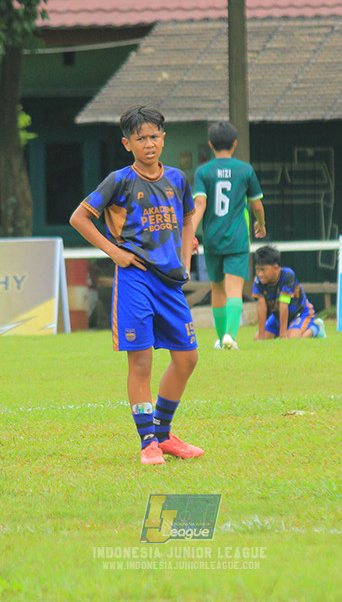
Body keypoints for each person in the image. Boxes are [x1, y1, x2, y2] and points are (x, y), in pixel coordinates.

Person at [69, 104, 203, 466]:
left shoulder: (177, 179)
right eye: (140, 138)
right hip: (135, 280)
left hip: (170, 282)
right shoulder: (119, 181)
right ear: (127, 143)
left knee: (187, 358)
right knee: (141, 362)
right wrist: (115, 252)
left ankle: (165, 433)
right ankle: (148, 443)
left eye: (154, 137)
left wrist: (186, 262)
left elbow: (189, 220)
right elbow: (79, 217)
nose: (149, 144)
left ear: (163, 139)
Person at [189, 121, 266, 351]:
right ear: (235, 143)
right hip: (238, 238)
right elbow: (257, 205)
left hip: (212, 238)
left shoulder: (203, 171)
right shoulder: (245, 170)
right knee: (235, 290)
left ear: (210, 144)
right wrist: (260, 224)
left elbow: (199, 204)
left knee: (217, 289)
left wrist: (190, 234)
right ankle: (230, 336)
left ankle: (222, 336)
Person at [252, 245, 325, 340]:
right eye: (257, 270)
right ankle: (286, 330)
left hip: (300, 313)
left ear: (276, 268)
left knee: (292, 339)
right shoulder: (259, 280)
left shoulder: (287, 275)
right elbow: (261, 306)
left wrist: (283, 335)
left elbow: (283, 304)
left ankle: (317, 328)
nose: (260, 274)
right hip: (277, 317)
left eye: (263, 270)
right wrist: (261, 336)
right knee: (257, 338)